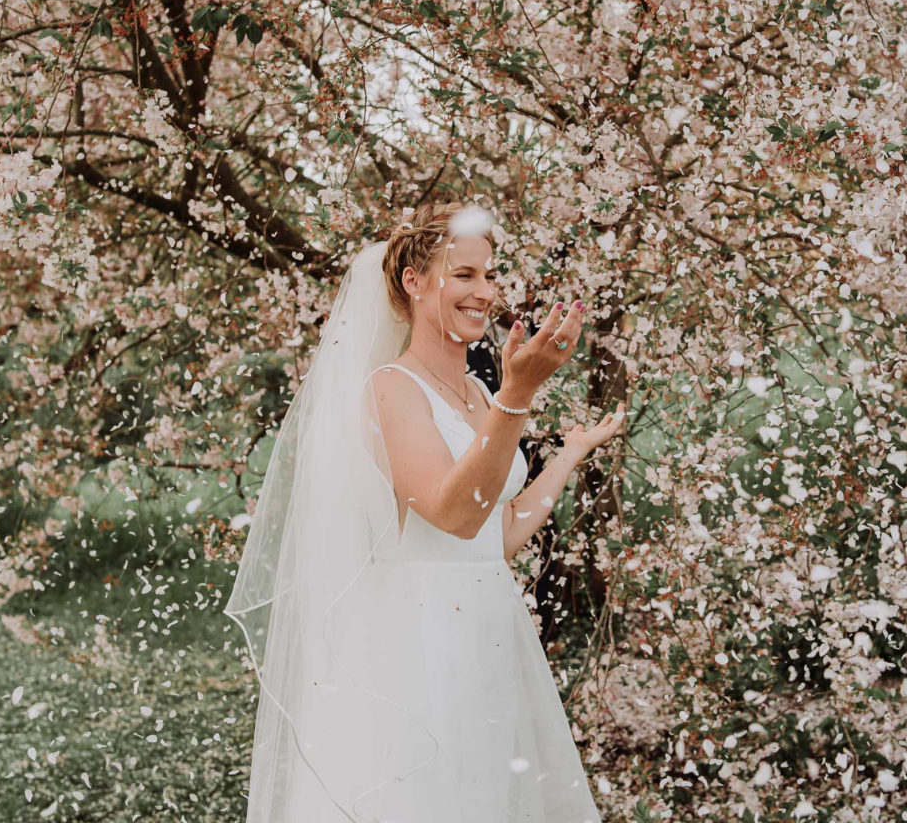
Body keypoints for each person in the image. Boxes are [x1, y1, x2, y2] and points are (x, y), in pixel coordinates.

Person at [226, 202, 628, 823]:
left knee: (489, 795)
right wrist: (519, 398)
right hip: (421, 636)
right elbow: (453, 513)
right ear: (413, 283)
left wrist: (568, 454)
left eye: (489, 276)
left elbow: (497, 536)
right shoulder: (392, 388)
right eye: (464, 274)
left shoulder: (479, 393)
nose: (485, 292)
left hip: (490, 626)